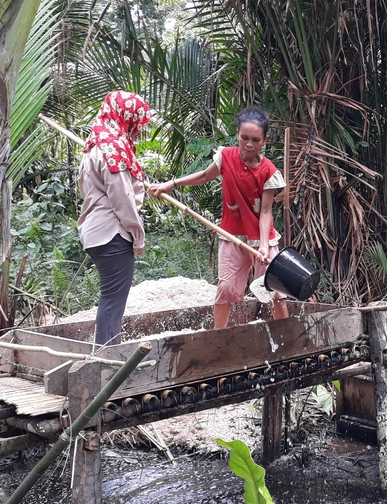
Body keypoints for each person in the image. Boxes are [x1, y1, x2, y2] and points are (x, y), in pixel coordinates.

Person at [148, 107, 288, 329]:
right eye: (244, 138)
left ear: (264, 141)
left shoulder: (268, 171)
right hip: (231, 235)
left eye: (255, 140)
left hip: (262, 239)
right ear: (237, 134)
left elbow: (265, 212)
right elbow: (204, 176)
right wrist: (172, 184)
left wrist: (263, 245)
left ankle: (288, 335)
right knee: (226, 289)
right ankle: (218, 336)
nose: (249, 144)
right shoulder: (226, 157)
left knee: (273, 288)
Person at [77, 91, 153, 346]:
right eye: (137, 123)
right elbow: (122, 197)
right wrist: (138, 235)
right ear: (125, 117)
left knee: (110, 299)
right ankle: (108, 359)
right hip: (113, 232)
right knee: (113, 302)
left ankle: (107, 355)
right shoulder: (114, 149)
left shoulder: (95, 143)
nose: (138, 131)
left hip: (95, 231)